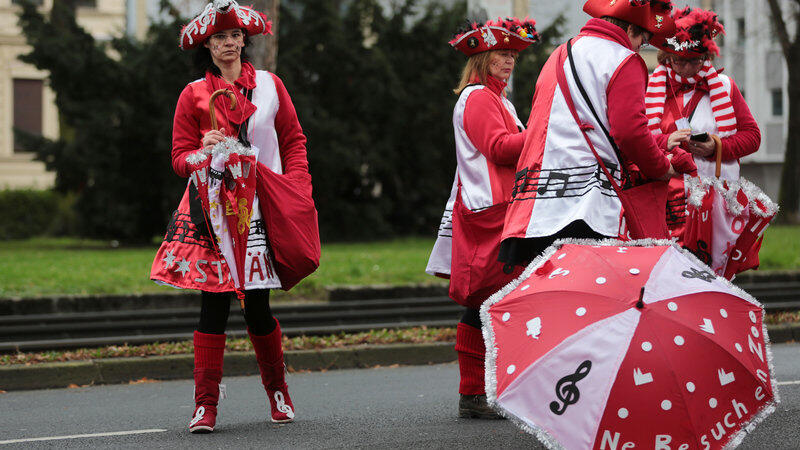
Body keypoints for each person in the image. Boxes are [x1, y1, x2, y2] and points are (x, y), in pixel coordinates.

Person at [150, 0, 312, 433]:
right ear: (208, 43)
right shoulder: (193, 93)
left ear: (245, 41)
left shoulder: (271, 87)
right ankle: (205, 404)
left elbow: (293, 140)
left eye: (235, 36)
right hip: (211, 213)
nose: (228, 43)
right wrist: (202, 151)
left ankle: (278, 390)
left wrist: (295, 185)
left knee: (258, 308)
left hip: (260, 209)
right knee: (213, 306)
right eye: (219, 37)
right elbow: (178, 159)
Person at [498, 0, 696, 268]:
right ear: (633, 29)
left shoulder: (559, 54)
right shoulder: (624, 59)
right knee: (596, 301)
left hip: (536, 207)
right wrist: (662, 167)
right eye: (644, 40)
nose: (640, 47)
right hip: (589, 206)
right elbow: (629, 132)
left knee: (553, 301)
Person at [426, 17, 539, 419]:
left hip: (500, 209)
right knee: (492, 298)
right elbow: (500, 148)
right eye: (502, 55)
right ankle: (477, 393)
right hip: (490, 211)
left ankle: (477, 393)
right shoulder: (478, 98)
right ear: (483, 58)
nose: (509, 61)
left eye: (512, 55)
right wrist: (545, 129)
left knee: (495, 298)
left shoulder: (497, 99)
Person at [646, 6, 761, 241]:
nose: (687, 69)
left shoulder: (725, 86)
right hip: (667, 201)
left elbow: (752, 137)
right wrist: (665, 141)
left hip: (716, 200)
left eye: (695, 61)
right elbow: (636, 139)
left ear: (706, 57)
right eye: (679, 62)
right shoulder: (650, 89)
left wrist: (716, 147)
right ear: (666, 57)